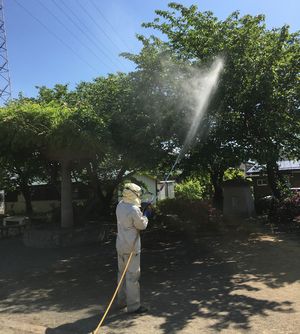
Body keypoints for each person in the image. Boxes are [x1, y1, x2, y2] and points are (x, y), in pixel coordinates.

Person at [116, 183, 149, 314]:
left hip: (120, 245)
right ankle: (134, 306)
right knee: (132, 277)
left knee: (121, 274)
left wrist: (140, 211)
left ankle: (121, 301)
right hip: (132, 248)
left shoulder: (120, 205)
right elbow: (141, 225)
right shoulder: (134, 210)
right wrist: (145, 215)